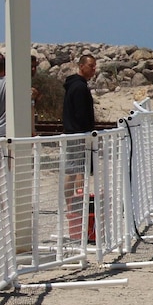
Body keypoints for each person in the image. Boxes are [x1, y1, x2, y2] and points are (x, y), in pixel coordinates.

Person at [62, 54, 97, 210]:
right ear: (81, 66)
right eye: (91, 66)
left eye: (95, 66)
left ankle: (75, 203)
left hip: (76, 133)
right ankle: (72, 205)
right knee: (74, 170)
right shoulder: (79, 87)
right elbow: (81, 113)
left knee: (77, 169)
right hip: (78, 134)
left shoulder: (76, 85)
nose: (93, 70)